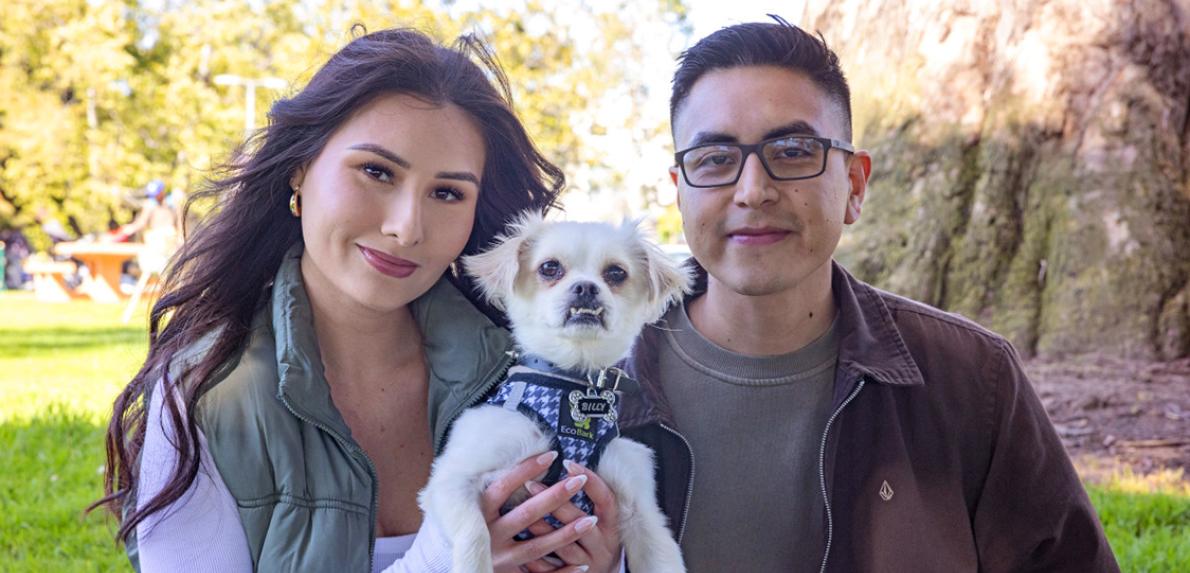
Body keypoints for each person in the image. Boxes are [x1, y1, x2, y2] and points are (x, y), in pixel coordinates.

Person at [93, 28, 623, 573]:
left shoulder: (533, 375)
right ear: (300, 167)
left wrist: (603, 564)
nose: (406, 227)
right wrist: (442, 560)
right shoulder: (206, 396)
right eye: (376, 171)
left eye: (447, 193)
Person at [618, 16, 1119, 572]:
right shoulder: (592, 381)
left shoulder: (973, 381)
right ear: (680, 190)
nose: (753, 191)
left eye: (792, 150)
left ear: (855, 185)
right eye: (714, 160)